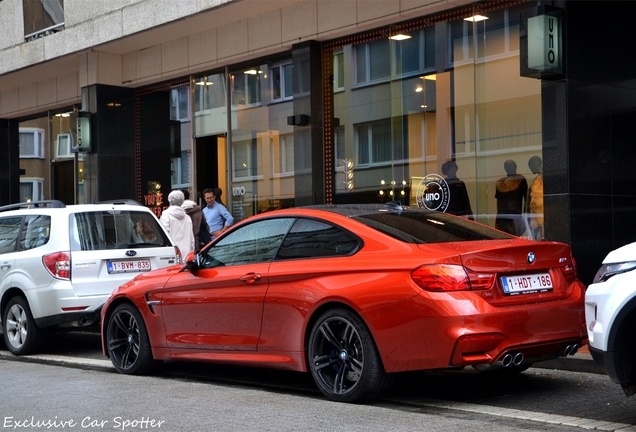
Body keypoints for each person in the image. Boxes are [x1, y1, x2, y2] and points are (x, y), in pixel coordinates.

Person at [495, 159, 528, 235]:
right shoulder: (500, 183)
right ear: (505, 168)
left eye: (511, 166)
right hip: (502, 219)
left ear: (515, 167)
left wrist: (525, 219)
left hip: (515, 218)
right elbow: (499, 204)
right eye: (507, 166)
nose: (509, 168)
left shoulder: (520, 180)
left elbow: (526, 201)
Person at [160, 190, 195, 260]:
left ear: (170, 201)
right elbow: (192, 240)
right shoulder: (187, 218)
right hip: (187, 255)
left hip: (172, 255)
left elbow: (164, 236)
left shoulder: (166, 215)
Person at [526, 155, 544, 239]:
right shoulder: (535, 181)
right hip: (536, 220)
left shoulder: (541, 181)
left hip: (543, 220)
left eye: (531, 166)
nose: (530, 168)